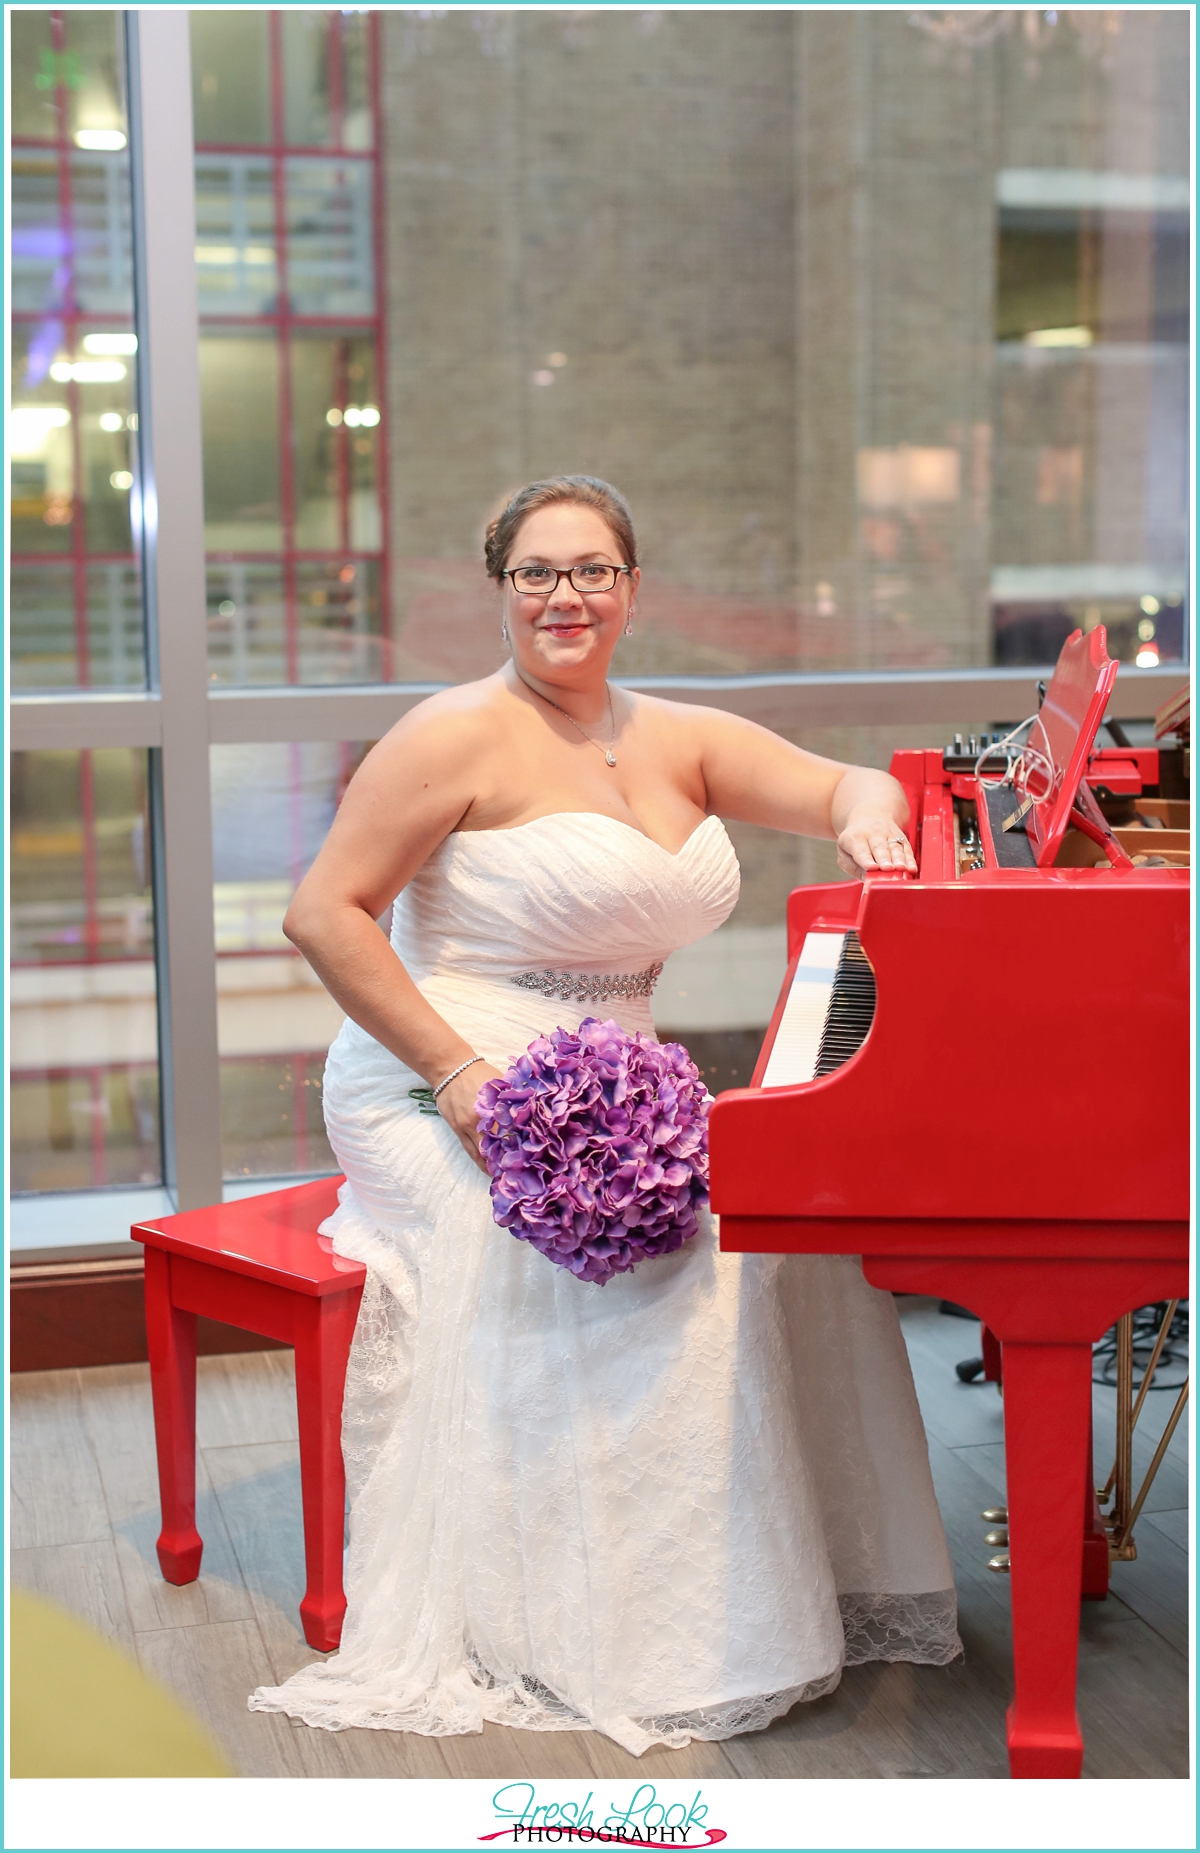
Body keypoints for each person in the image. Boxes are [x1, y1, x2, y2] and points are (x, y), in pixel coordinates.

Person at [249, 476, 958, 1753]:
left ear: (631, 587)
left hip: (621, 1081)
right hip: (438, 1075)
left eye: (591, 570)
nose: (564, 595)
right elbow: (321, 914)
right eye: (536, 573)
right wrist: (464, 1081)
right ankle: (604, 1624)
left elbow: (853, 784)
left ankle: (764, 1591)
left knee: (786, 1241)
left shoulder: (679, 733)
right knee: (660, 1274)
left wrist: (869, 828)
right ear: (502, 590)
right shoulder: (449, 734)